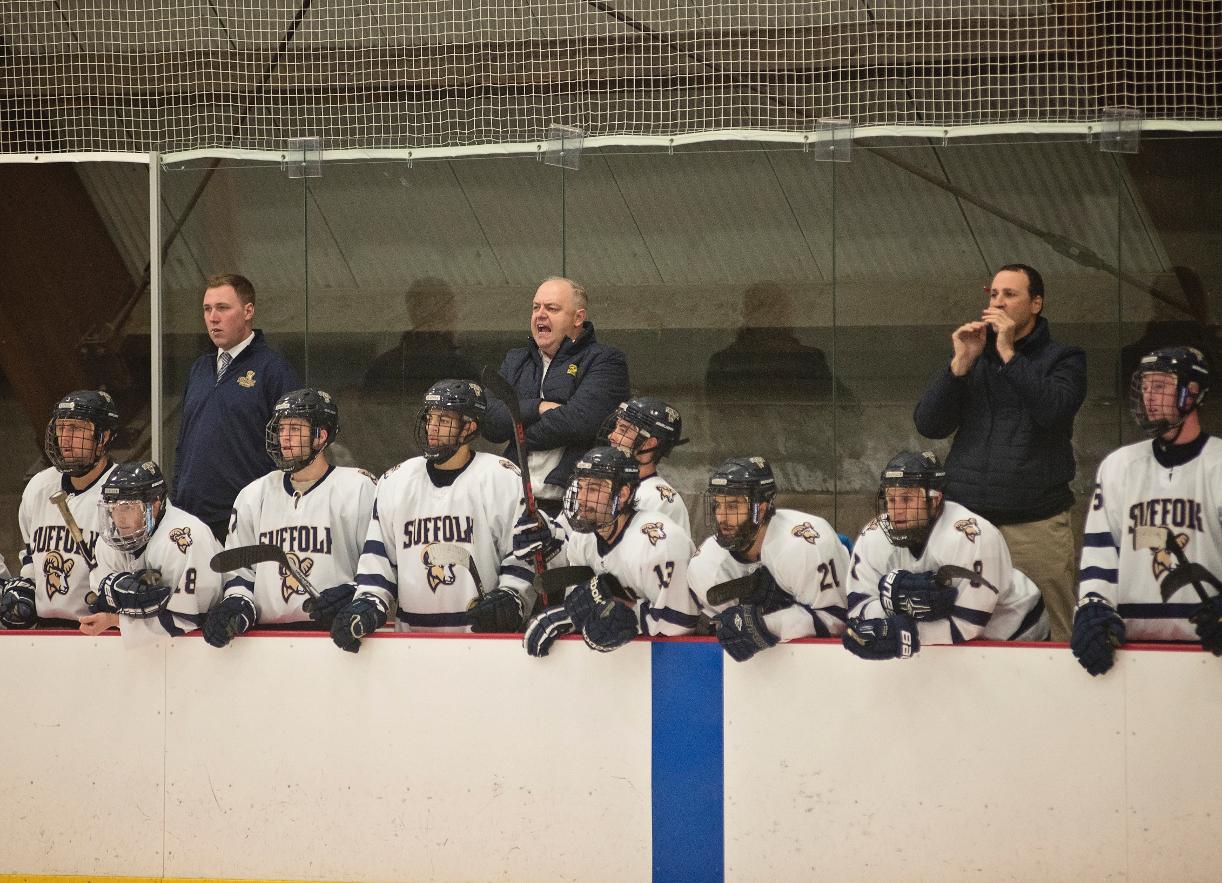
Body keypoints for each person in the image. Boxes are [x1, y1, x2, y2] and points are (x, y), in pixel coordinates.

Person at [913, 263, 1086, 642]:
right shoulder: (975, 356)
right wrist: (959, 364)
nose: (998, 302)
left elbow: (1052, 410)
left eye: (1010, 294)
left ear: (1035, 303)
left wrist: (1009, 354)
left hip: (1035, 522)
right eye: (993, 294)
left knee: (1056, 630)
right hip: (969, 522)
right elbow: (929, 424)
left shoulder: (1065, 358)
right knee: (965, 628)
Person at [328, 380, 534, 652]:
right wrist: (368, 602)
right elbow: (378, 560)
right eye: (430, 418)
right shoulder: (395, 481)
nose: (433, 427)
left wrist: (512, 595)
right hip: (411, 645)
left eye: (444, 419)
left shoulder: (502, 477)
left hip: (485, 645)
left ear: (469, 427)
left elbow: (522, 553)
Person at [1073, 346, 1222, 676]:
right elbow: (1100, 555)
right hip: (1131, 655)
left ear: (1192, 392)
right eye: (1145, 386)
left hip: (1211, 654)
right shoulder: (1119, 466)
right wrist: (1094, 606)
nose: (1148, 397)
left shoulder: (1219, 464)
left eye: (1161, 386)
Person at [202, 388, 377, 648]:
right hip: (264, 640)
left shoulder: (359, 488)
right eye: (281, 429)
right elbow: (239, 573)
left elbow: (378, 564)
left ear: (321, 436)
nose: (284, 438)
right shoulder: (253, 494)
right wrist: (237, 604)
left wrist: (355, 594)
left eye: (295, 429)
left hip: (335, 636)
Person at [842, 451, 1048, 661]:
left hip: (1015, 633)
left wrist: (902, 631)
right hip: (947, 643)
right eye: (891, 499)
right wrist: (892, 606)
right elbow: (858, 608)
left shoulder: (972, 536)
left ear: (935, 499)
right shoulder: (873, 536)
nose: (897, 511)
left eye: (906, 499)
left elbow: (968, 624)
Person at [521, 446, 699, 657]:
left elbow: (681, 623)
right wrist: (571, 616)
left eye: (594, 489)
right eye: (581, 487)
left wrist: (631, 617)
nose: (582, 499)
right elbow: (584, 605)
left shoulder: (659, 544)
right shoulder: (583, 538)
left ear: (623, 494)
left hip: (676, 663)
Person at [481, 277, 629, 516]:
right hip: (512, 501)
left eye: (552, 308)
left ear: (578, 318)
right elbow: (488, 419)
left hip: (575, 506)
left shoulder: (605, 360)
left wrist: (517, 434)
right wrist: (538, 408)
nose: (540, 314)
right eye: (535, 307)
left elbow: (579, 422)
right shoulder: (516, 359)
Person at [173, 273, 301, 542]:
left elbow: (292, 449)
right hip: (190, 518)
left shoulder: (274, 370)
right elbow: (184, 444)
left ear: (248, 311)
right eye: (207, 309)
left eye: (223, 308)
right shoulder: (199, 369)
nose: (212, 318)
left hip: (244, 519)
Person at [689, 457, 849, 662]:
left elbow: (837, 620)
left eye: (733, 506)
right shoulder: (707, 563)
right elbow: (732, 633)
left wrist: (766, 625)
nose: (721, 517)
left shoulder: (803, 545)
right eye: (718, 505)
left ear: (761, 509)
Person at [0, 390, 119, 630]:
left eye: (75, 429)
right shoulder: (39, 486)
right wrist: (26, 589)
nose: (64, 438)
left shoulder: (124, 492)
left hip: (101, 630)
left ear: (103, 437)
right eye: (61, 428)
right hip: (44, 631)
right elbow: (31, 557)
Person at [78, 461, 222, 644]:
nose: (119, 518)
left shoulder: (185, 538)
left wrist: (116, 619)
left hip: (207, 652)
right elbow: (100, 602)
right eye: (113, 508)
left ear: (155, 505)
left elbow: (187, 619)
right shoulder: (108, 543)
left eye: (128, 507)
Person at [361, 277, 478, 396]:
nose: (452, 318)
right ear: (414, 314)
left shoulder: (384, 367)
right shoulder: (385, 369)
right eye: (439, 314)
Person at [600, 396, 690, 533]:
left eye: (623, 430)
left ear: (649, 443)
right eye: (616, 427)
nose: (611, 436)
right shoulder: (592, 483)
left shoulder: (662, 500)